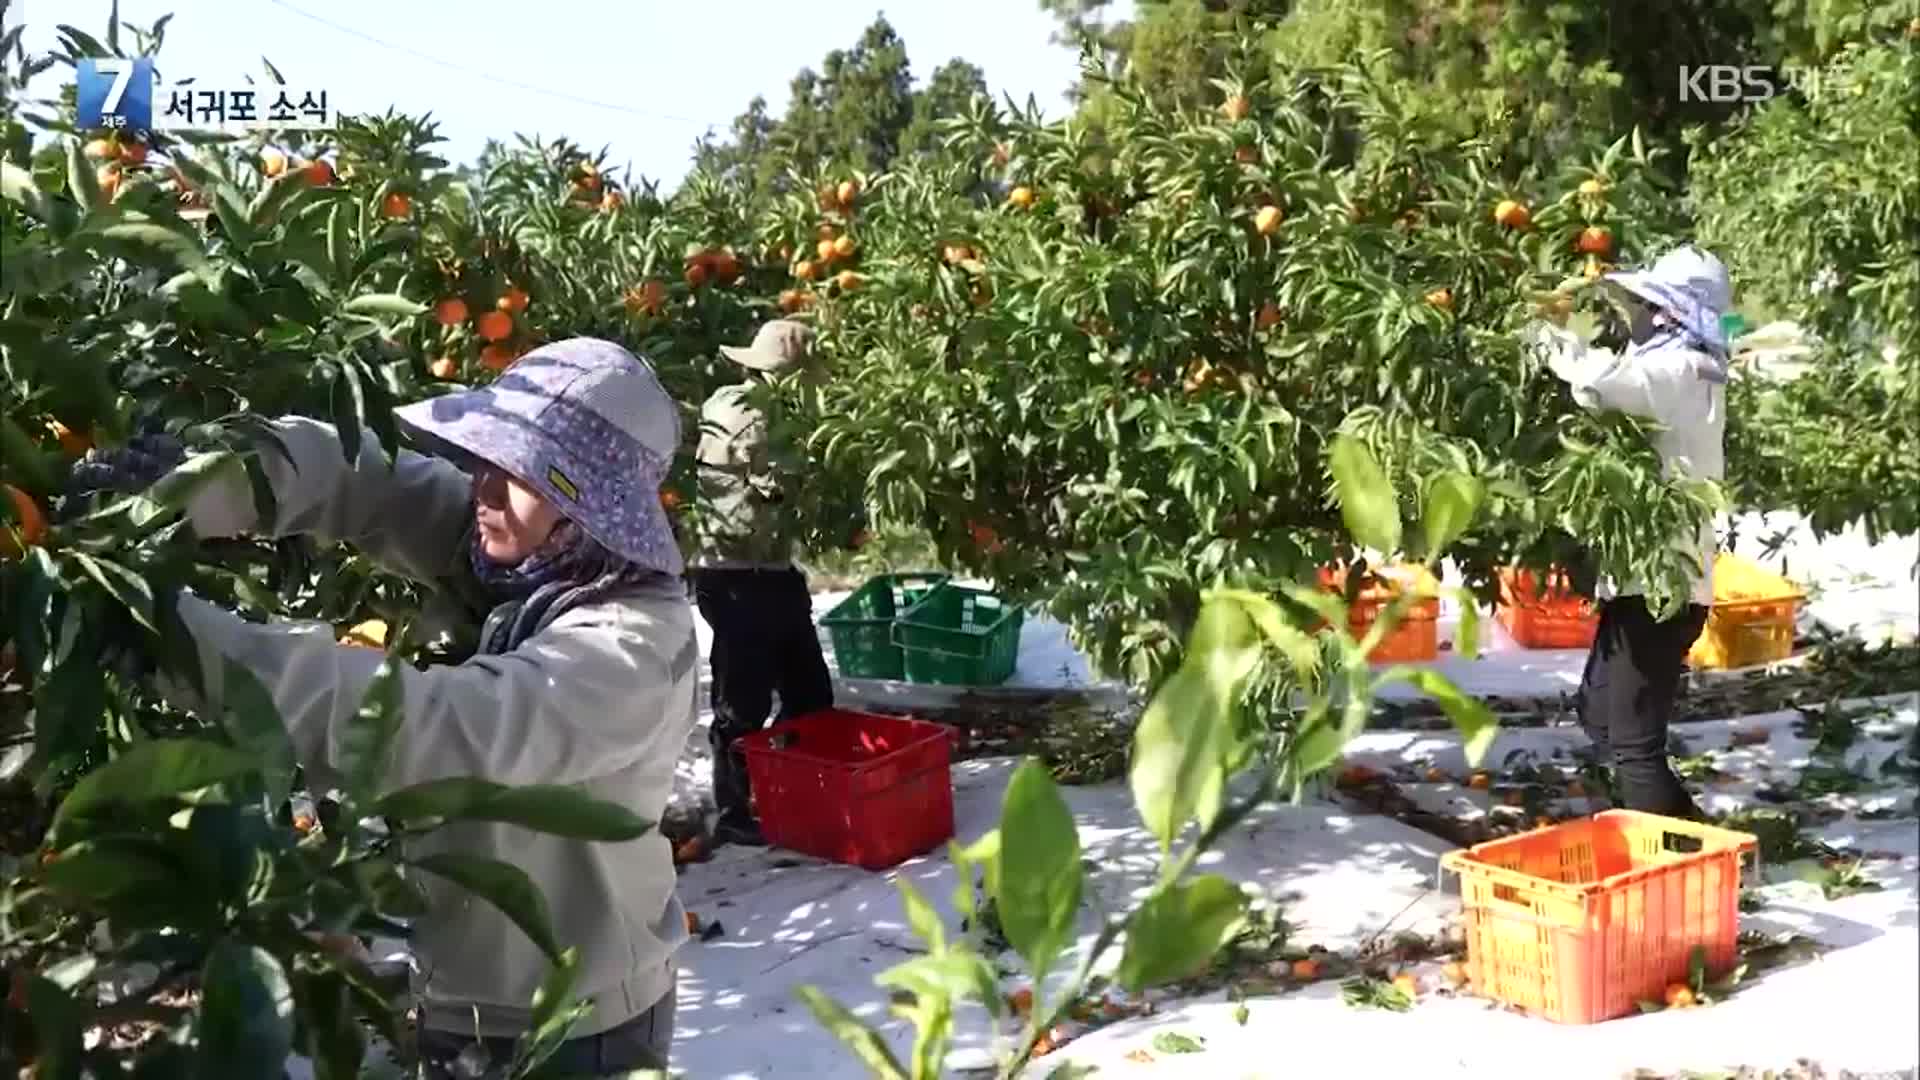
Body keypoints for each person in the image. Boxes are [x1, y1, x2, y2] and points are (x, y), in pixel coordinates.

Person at [76, 339, 699, 1077]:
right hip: (461, 991)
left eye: (521, 472)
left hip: (579, 1025)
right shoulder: (512, 557)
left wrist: (182, 643)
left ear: (584, 506)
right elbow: (362, 478)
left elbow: (426, 727)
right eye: (486, 458)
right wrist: (201, 486)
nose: (485, 486)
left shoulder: (630, 652)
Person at [1528, 245, 1731, 820]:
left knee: (1634, 746)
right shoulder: (1687, 369)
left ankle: (1672, 866)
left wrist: (1544, 332)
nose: (1636, 315)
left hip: (1662, 590)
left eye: (1647, 306)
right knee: (1599, 715)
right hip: (1644, 581)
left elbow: (1599, 381)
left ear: (1672, 314)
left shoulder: (1683, 372)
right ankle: (1695, 844)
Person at [692, 319, 835, 848]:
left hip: (763, 570)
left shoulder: (732, 403)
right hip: (735, 576)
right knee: (743, 700)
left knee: (810, 694)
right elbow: (780, 488)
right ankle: (734, 810)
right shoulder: (753, 418)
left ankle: (790, 788)